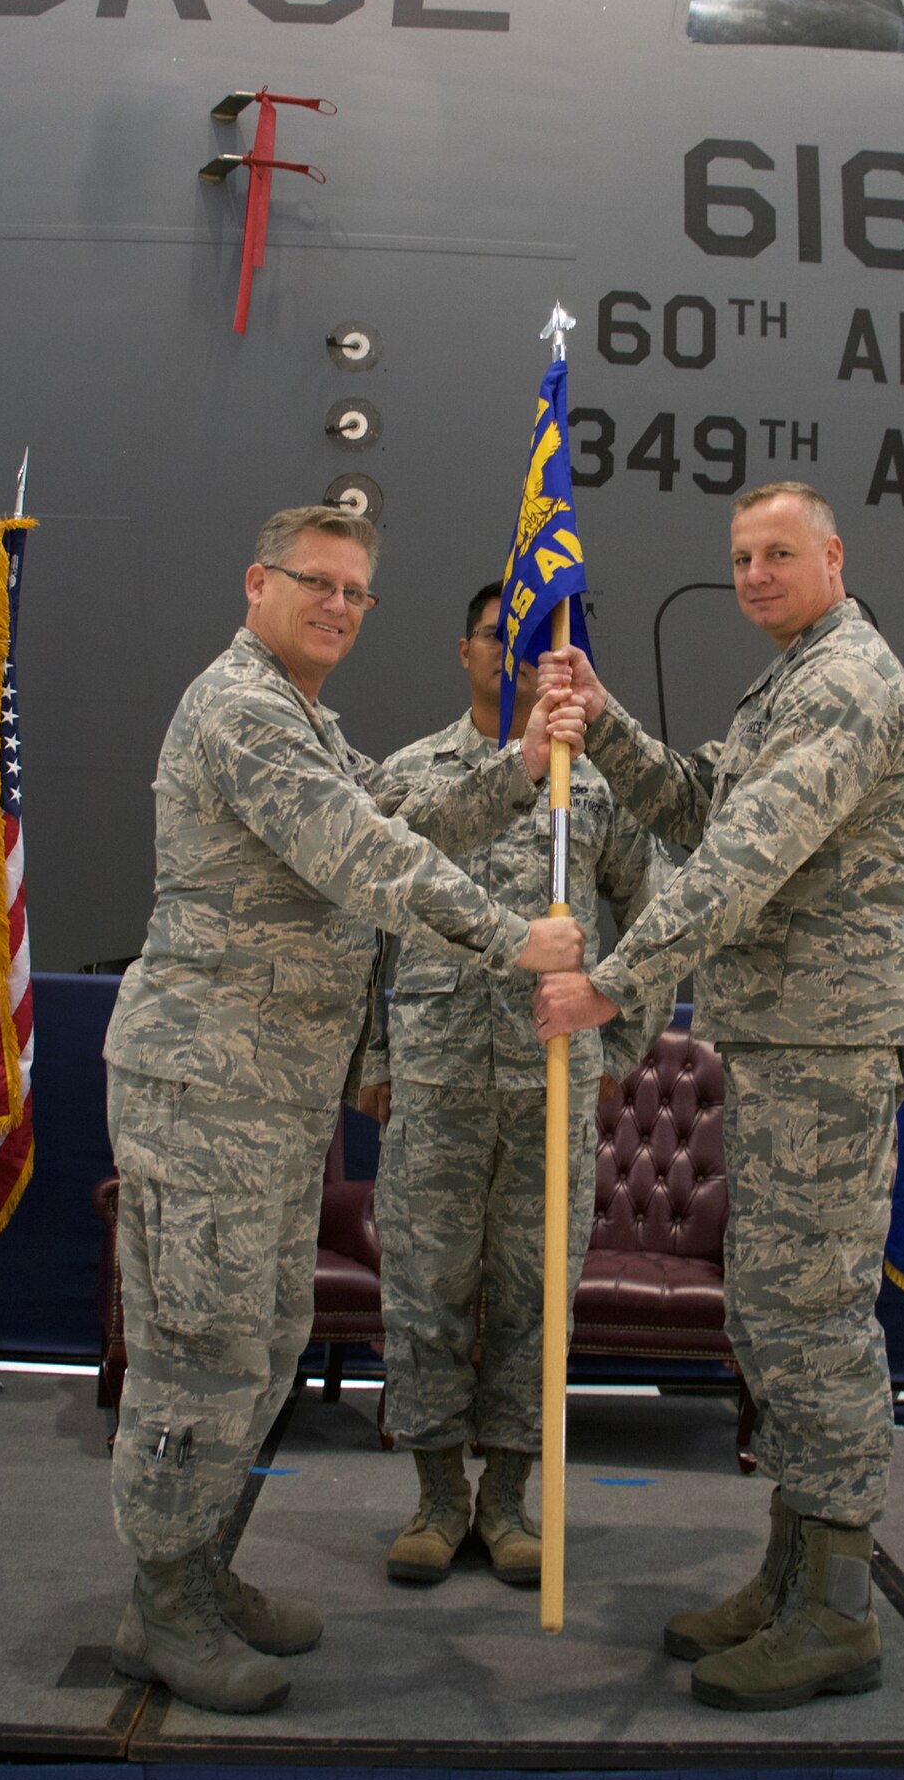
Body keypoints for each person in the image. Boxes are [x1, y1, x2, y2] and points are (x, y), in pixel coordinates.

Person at [103, 505, 586, 1716]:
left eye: (357, 592)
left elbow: (394, 813)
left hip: (268, 1098)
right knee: (199, 1349)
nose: (337, 605)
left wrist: (522, 768)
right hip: (205, 1086)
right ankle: (159, 1605)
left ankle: (199, 1570)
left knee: (261, 1341)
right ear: (256, 580)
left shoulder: (304, 714)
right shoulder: (242, 707)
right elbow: (360, 857)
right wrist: (512, 935)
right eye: (316, 581)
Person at [534, 482, 904, 1711]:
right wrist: (599, 723)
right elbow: (703, 802)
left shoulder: (850, 684)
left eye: (778, 553)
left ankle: (839, 1612)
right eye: (741, 556)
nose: (754, 573)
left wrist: (614, 980)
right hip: (785, 1043)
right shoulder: (795, 677)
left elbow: (744, 857)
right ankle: (790, 1570)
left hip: (829, 1045)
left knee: (810, 1321)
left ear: (833, 558)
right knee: (771, 1314)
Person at [358, 582, 675, 1588]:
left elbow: (662, 924)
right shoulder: (411, 776)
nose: (526, 658)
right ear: (467, 650)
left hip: (549, 1084)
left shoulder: (603, 785)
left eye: (546, 643)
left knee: (536, 1294)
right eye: (506, 639)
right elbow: (366, 925)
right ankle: (436, 1496)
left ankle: (507, 1501)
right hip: (437, 1079)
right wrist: (373, 1057)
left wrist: (615, 1045)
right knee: (426, 1290)